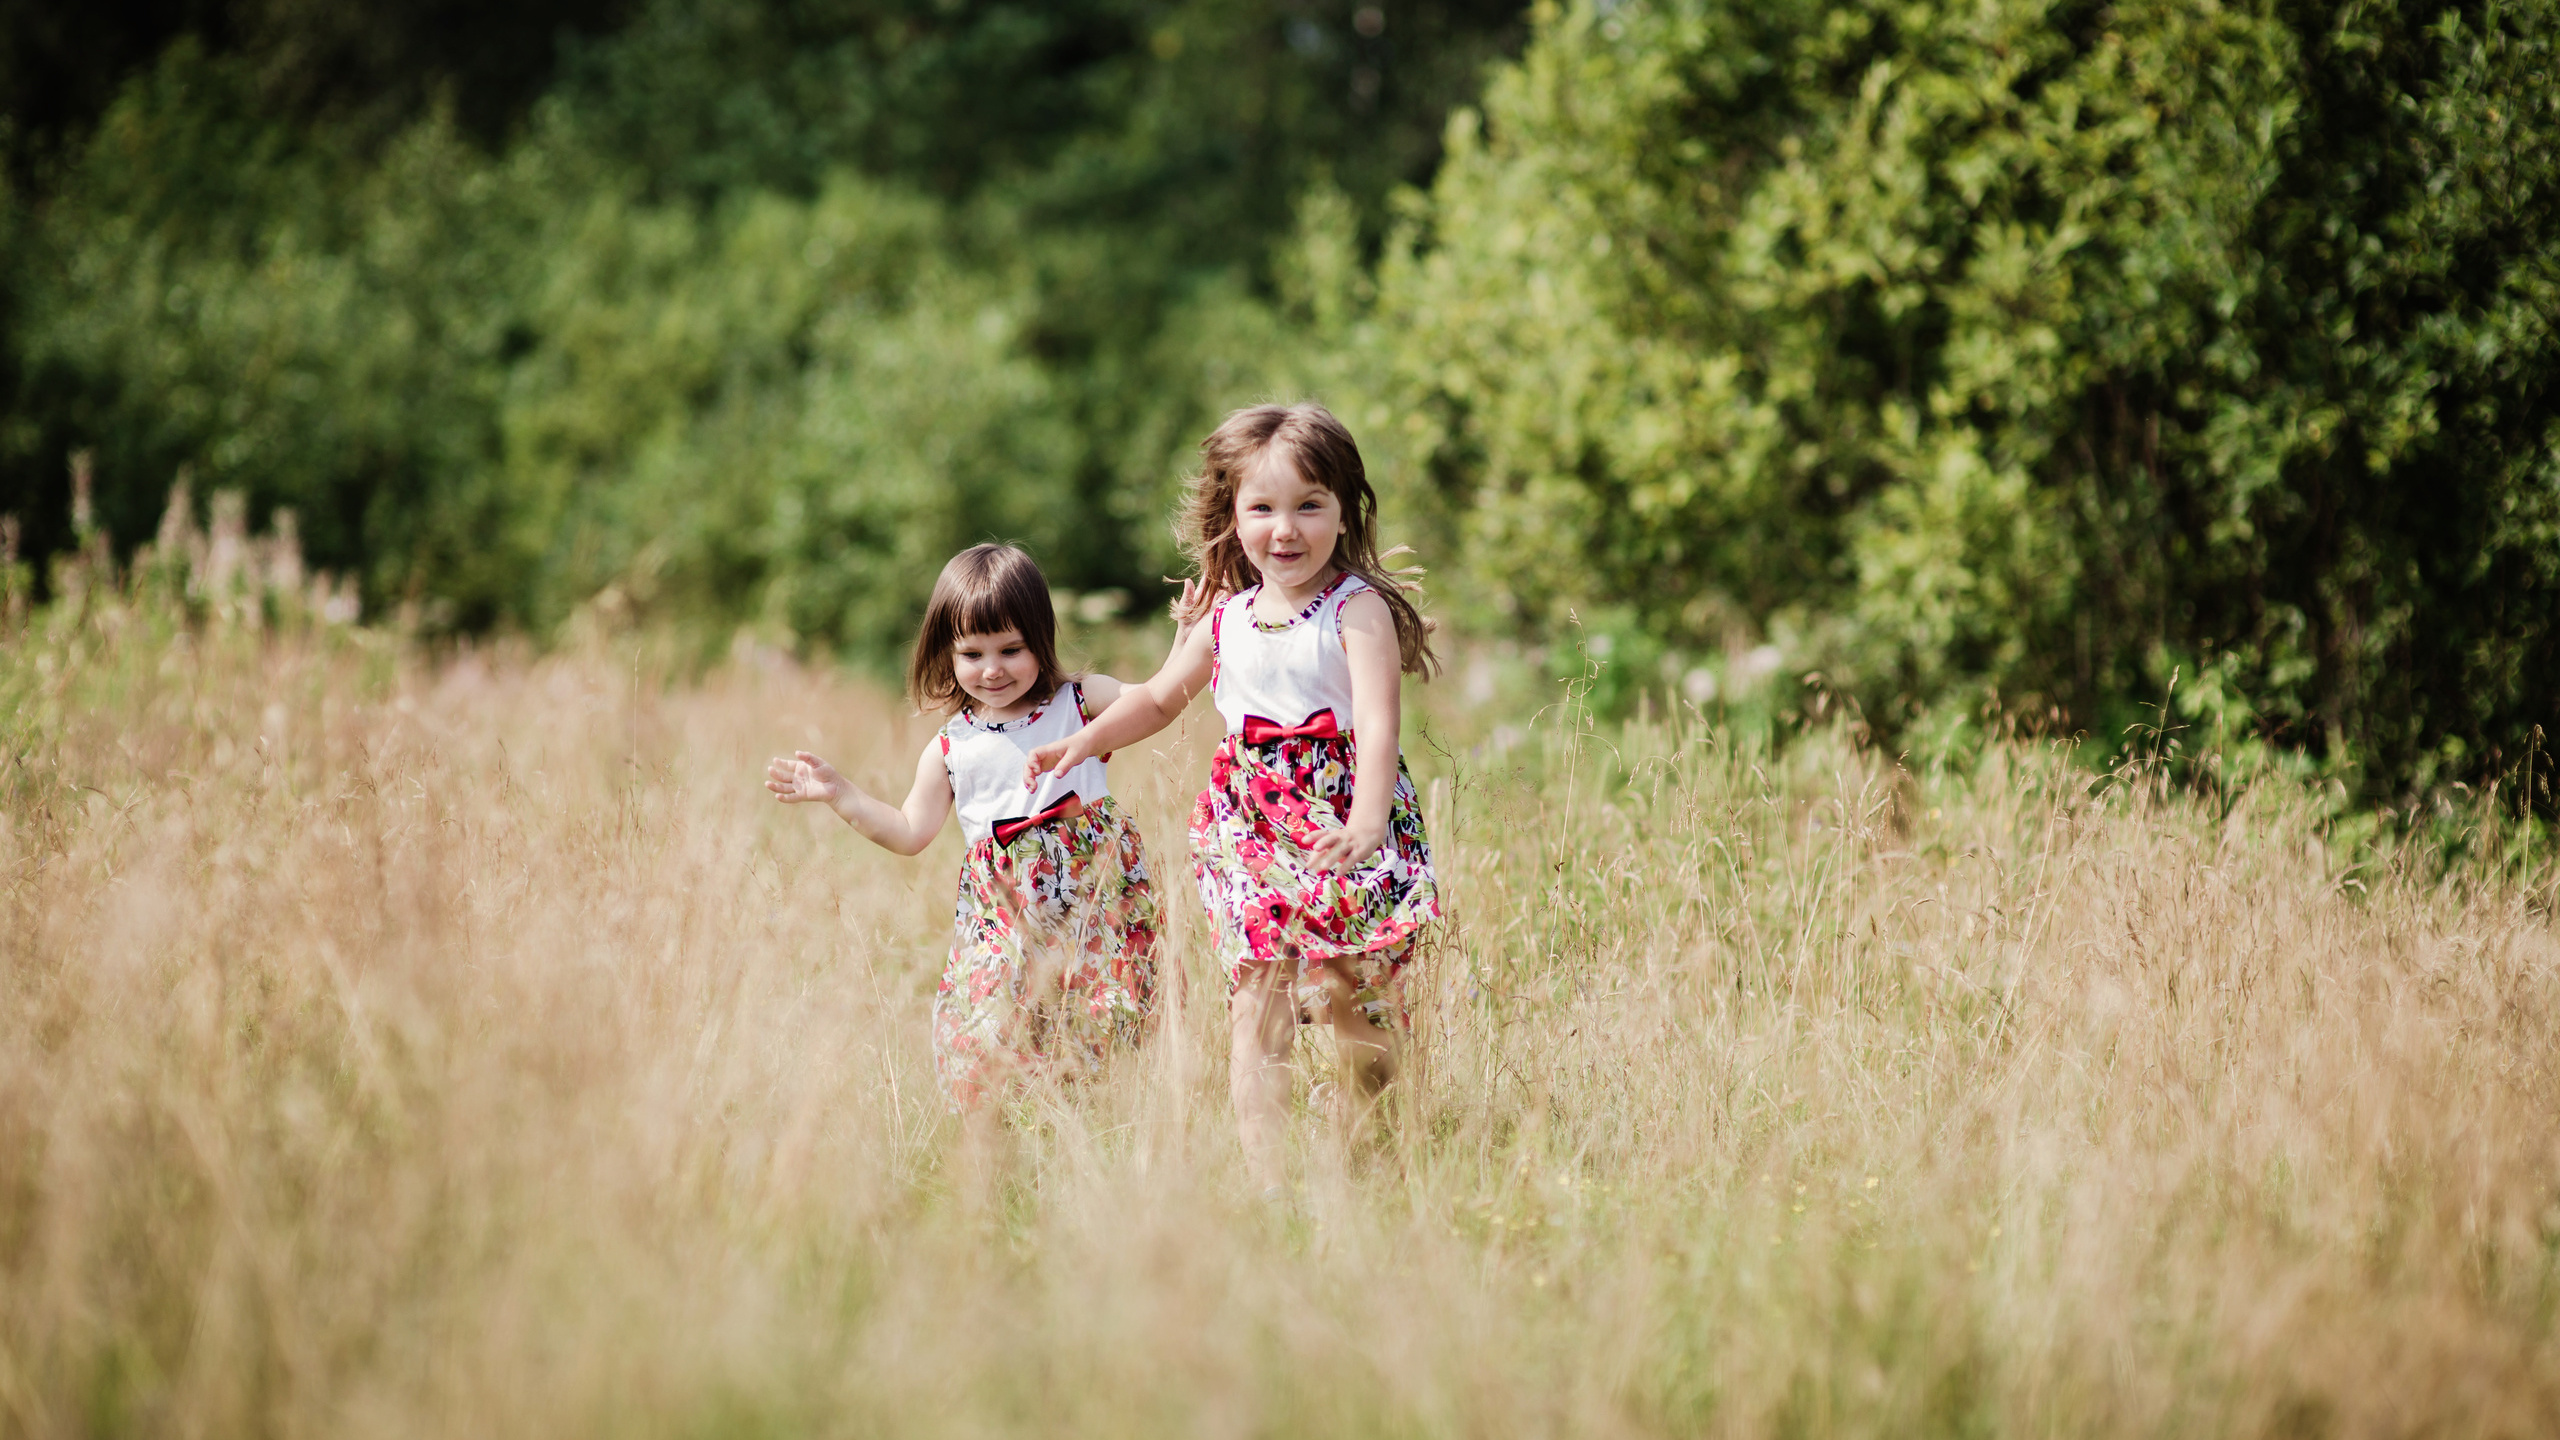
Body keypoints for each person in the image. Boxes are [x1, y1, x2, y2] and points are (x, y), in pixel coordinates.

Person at [1026, 402, 1439, 1192]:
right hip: (1245, 823)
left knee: (1352, 1000)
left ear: (1343, 512)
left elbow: (1380, 729)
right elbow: (1156, 699)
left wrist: (1364, 823)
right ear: (1233, 516)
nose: (1286, 529)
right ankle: (1270, 1183)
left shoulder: (1358, 611)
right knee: (1258, 999)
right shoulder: (1225, 616)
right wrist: (1085, 740)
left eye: (1308, 506)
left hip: (1338, 817)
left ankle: (1374, 1160)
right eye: (1263, 508)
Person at [767, 543, 1163, 1109]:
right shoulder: (953, 745)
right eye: (972, 654)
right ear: (946, 653)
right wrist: (841, 794)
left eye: (1011, 649)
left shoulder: (1077, 701)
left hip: (1090, 899)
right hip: (1004, 915)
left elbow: (1153, 701)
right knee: (992, 1028)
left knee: (1094, 1018)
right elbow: (909, 830)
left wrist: (1186, 635)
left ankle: (1093, 1133)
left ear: (1040, 639)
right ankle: (1004, 1138)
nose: (993, 669)